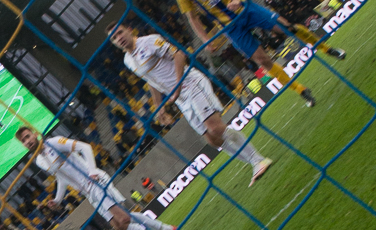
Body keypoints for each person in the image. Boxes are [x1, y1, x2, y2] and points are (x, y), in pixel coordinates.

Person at [168, 0, 345, 109]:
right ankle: (301, 90)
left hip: (246, 9)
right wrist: (206, 39)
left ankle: (326, 48)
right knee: (263, 60)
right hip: (230, 28)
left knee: (288, 28)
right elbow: (192, 18)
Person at [108, 23, 272, 184]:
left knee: (214, 128)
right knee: (212, 140)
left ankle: (258, 160)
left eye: (120, 32)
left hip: (190, 83)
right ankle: (253, 163)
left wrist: (178, 85)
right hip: (181, 99)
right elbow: (150, 80)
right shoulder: (128, 60)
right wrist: (159, 107)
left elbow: (179, 55)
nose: (119, 38)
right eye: (114, 38)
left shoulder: (149, 41)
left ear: (129, 30)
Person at [14, 125, 177, 230]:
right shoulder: (40, 161)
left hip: (95, 181)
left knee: (123, 219)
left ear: (35, 134)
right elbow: (61, 178)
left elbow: (84, 147)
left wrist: (92, 170)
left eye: (27, 136)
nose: (27, 141)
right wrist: (57, 199)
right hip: (87, 192)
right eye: (23, 141)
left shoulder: (54, 143)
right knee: (119, 225)